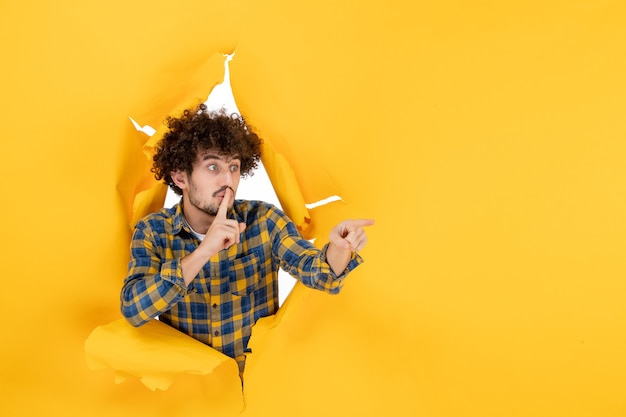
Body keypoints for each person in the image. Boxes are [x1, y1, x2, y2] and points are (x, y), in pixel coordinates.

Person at [120, 103, 373, 376]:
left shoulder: (263, 220)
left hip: (258, 390)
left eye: (234, 167)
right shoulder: (153, 231)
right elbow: (134, 310)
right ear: (180, 176)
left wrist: (339, 248)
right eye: (213, 166)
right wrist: (205, 250)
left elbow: (319, 273)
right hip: (191, 395)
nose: (228, 179)